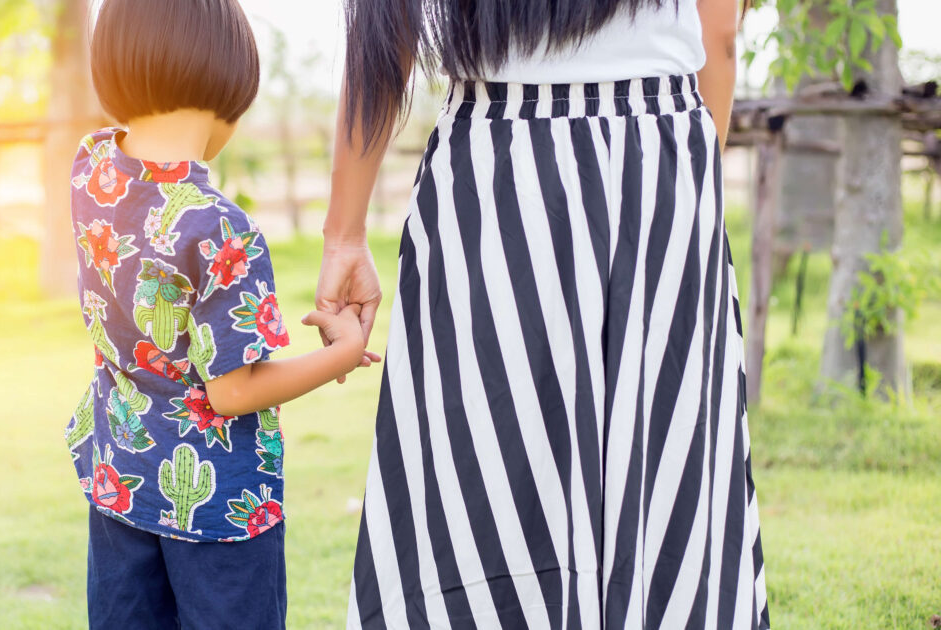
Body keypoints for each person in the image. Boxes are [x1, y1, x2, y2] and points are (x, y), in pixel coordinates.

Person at [318, 0, 770, 627]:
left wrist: (344, 236)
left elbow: (384, 32)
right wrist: (693, 193)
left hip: (494, 153)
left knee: (483, 467)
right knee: (662, 470)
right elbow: (718, 30)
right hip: (656, 155)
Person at [62, 2, 376, 627]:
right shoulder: (221, 230)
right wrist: (342, 352)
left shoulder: (90, 171)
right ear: (231, 88)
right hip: (217, 510)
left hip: (120, 477)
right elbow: (232, 393)